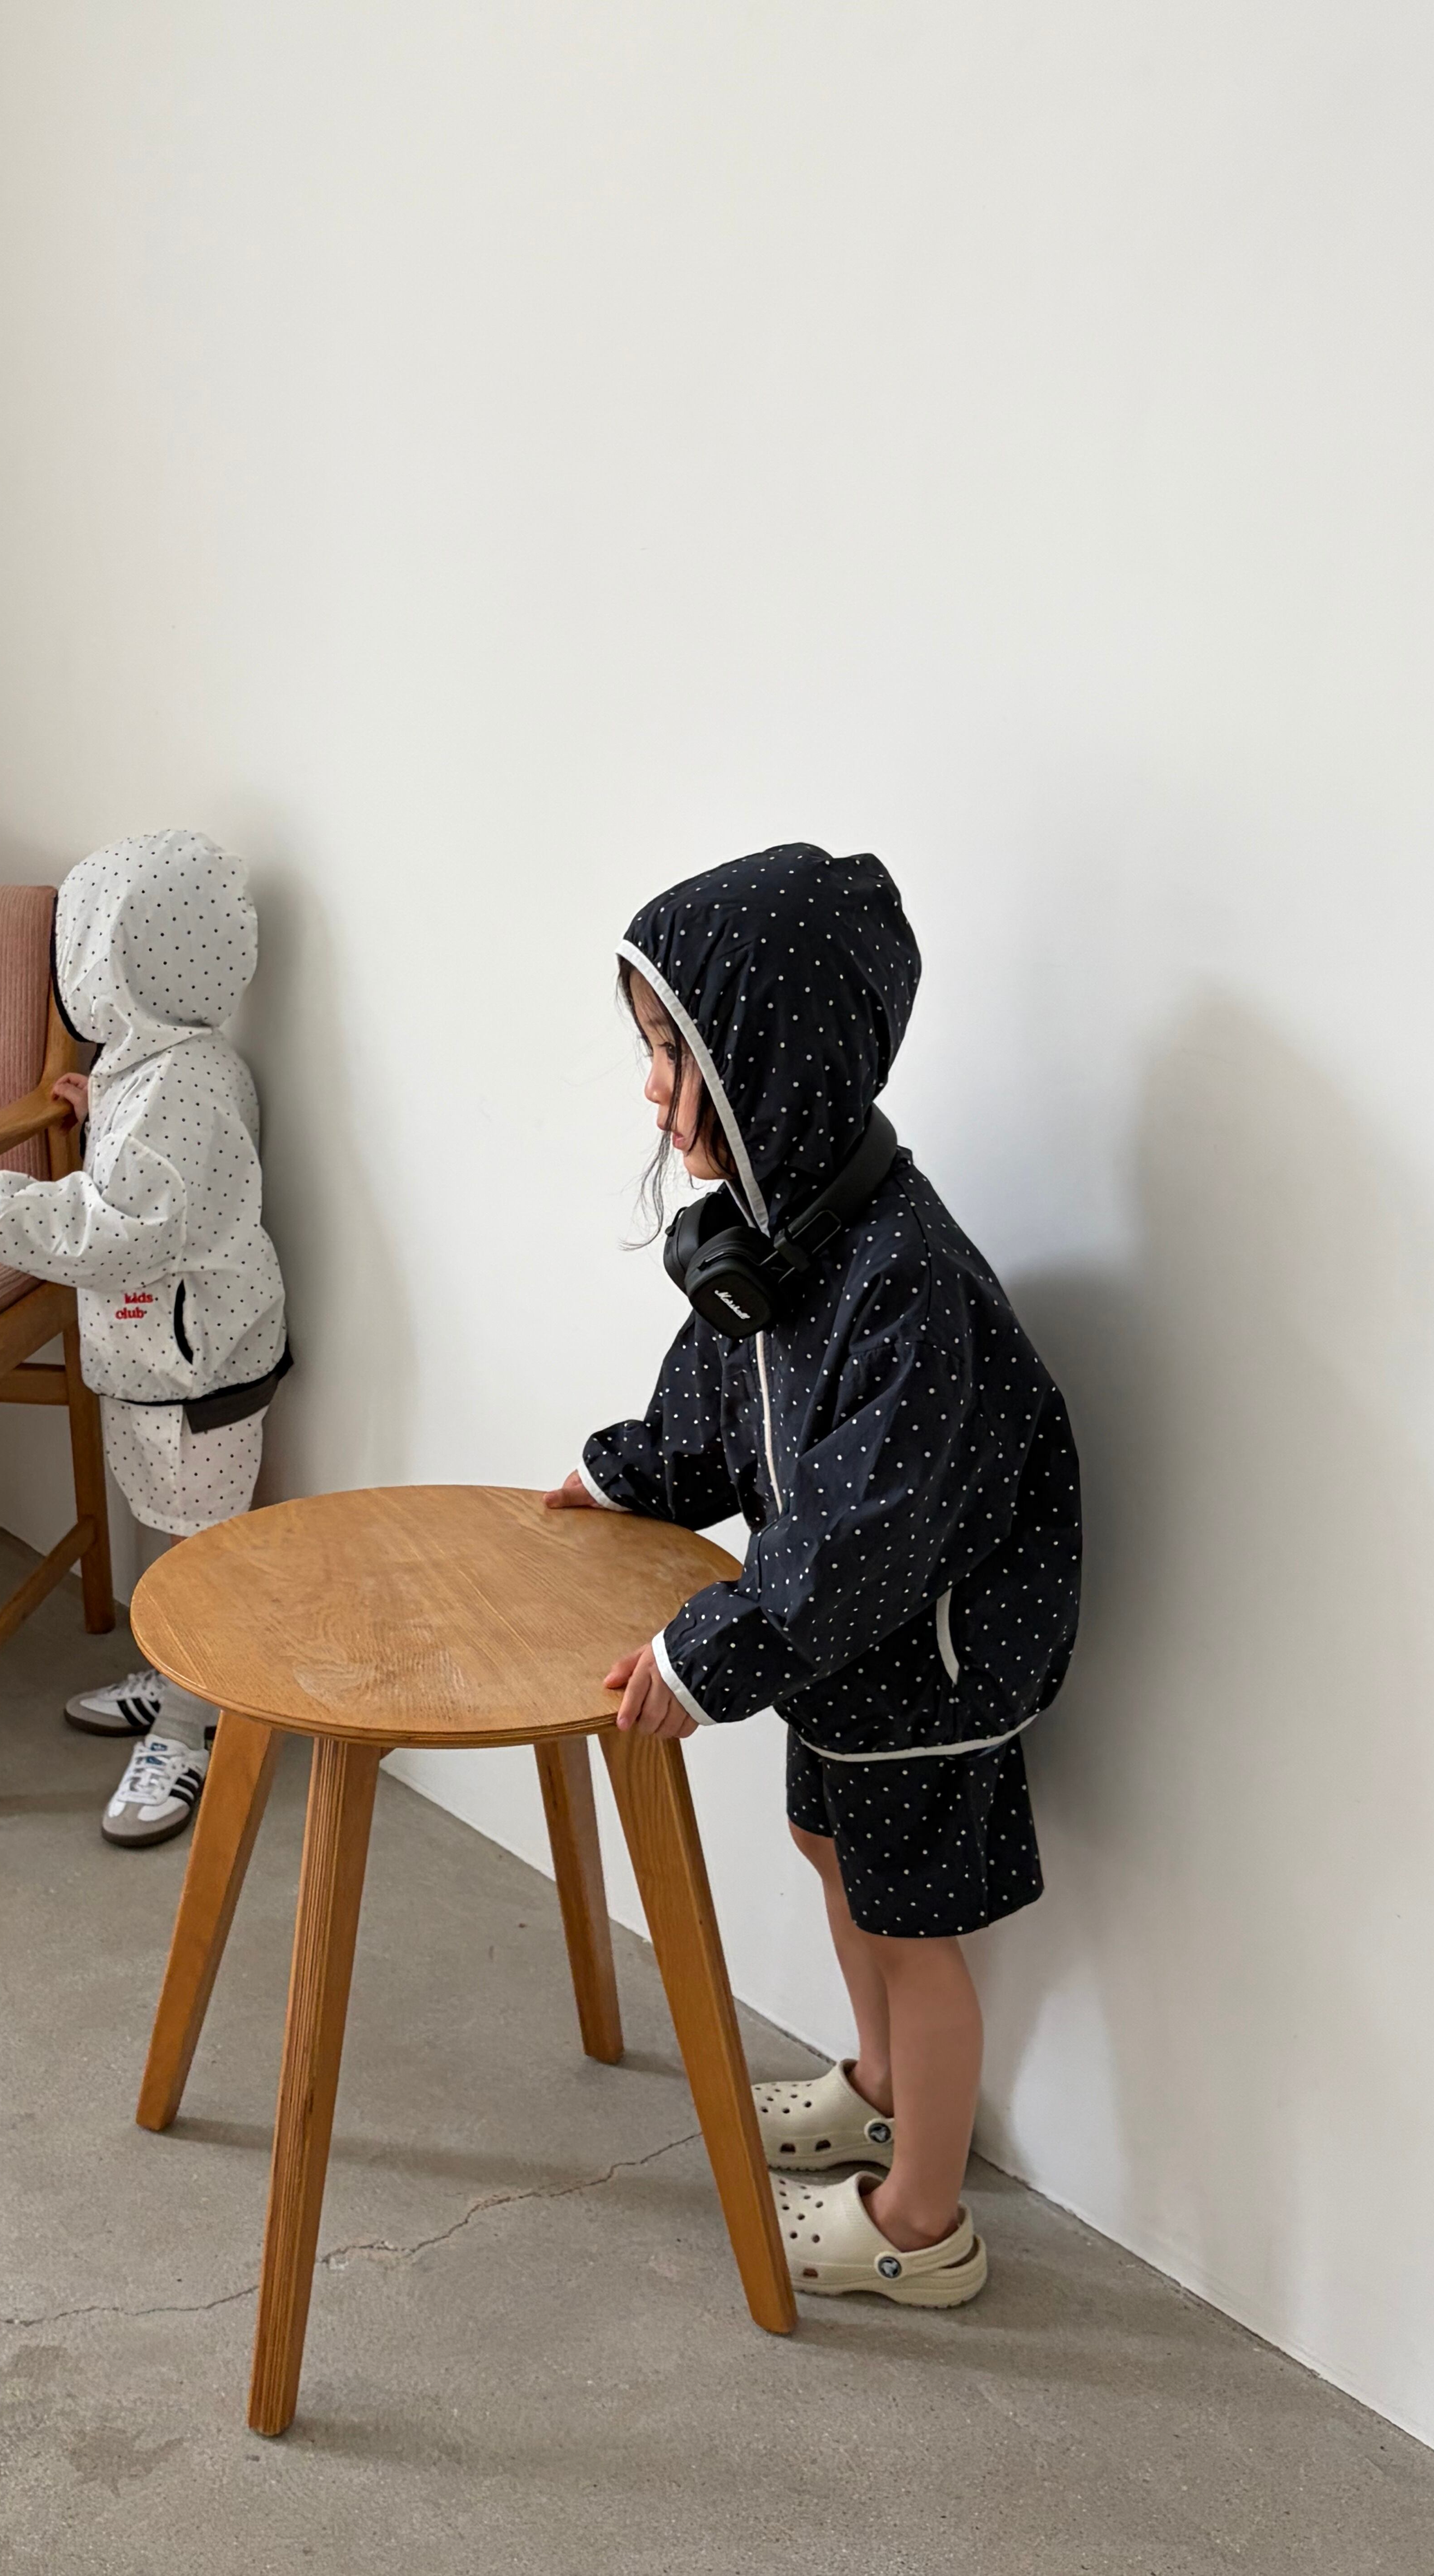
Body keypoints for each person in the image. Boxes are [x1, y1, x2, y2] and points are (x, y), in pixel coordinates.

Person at [546, 843, 1079, 2308]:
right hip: (840, 1646)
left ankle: (922, 2225)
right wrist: (626, 1474)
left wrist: (702, 1655)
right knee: (825, 1848)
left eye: (676, 1056)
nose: (653, 1090)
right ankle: (879, 2088)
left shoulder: (903, 1278)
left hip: (928, 1660)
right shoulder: (789, 1236)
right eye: (649, 1052)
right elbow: (719, 1404)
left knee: (915, 1935)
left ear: (773, 1063)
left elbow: (866, 1533)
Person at [0, 831, 288, 1846]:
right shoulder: (160, 1071)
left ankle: (194, 1722)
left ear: (111, 965)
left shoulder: (184, 1085)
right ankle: (177, 1676)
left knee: (198, 1542)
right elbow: (150, 1174)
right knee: (171, 1520)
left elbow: (122, 1227)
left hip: (195, 1365)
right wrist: (100, 1108)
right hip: (167, 1353)